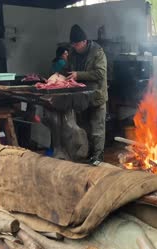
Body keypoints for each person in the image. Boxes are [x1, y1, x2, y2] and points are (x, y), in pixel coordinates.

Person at [66, 24, 108, 165]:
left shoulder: (97, 52)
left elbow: (100, 73)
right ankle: (87, 154)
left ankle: (97, 156)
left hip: (96, 96)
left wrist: (79, 75)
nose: (75, 47)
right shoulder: (72, 54)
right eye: (73, 44)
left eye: (77, 44)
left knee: (97, 129)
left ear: (84, 41)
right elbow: (68, 70)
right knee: (83, 128)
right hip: (80, 98)